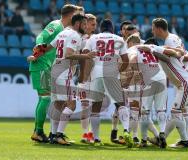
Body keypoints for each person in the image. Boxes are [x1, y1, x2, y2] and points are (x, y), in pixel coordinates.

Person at [29, 4, 81, 143]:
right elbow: (41, 36)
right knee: (46, 98)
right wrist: (38, 50)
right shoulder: (56, 25)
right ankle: (39, 131)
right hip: (41, 64)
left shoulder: (65, 31)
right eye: (76, 15)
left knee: (50, 100)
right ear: (70, 15)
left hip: (49, 67)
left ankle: (45, 132)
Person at [83, 19, 133, 147]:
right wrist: (118, 70)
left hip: (97, 74)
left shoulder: (93, 38)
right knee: (121, 104)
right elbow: (126, 60)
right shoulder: (119, 39)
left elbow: (84, 55)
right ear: (112, 29)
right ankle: (127, 130)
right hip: (112, 73)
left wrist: (86, 73)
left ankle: (96, 138)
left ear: (100, 28)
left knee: (96, 107)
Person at [151, 18, 188, 148]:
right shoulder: (174, 38)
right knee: (183, 111)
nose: (152, 30)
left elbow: (178, 54)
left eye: (153, 28)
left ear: (159, 29)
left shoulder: (170, 40)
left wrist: (153, 50)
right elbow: (184, 54)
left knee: (175, 111)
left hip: (186, 81)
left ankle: (182, 141)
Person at [77, 13, 97, 143]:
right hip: (84, 76)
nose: (94, 27)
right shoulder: (80, 38)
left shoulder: (96, 39)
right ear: (86, 23)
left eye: (95, 24)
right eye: (92, 24)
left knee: (94, 108)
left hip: (96, 78)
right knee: (85, 106)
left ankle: (94, 134)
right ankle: (85, 134)